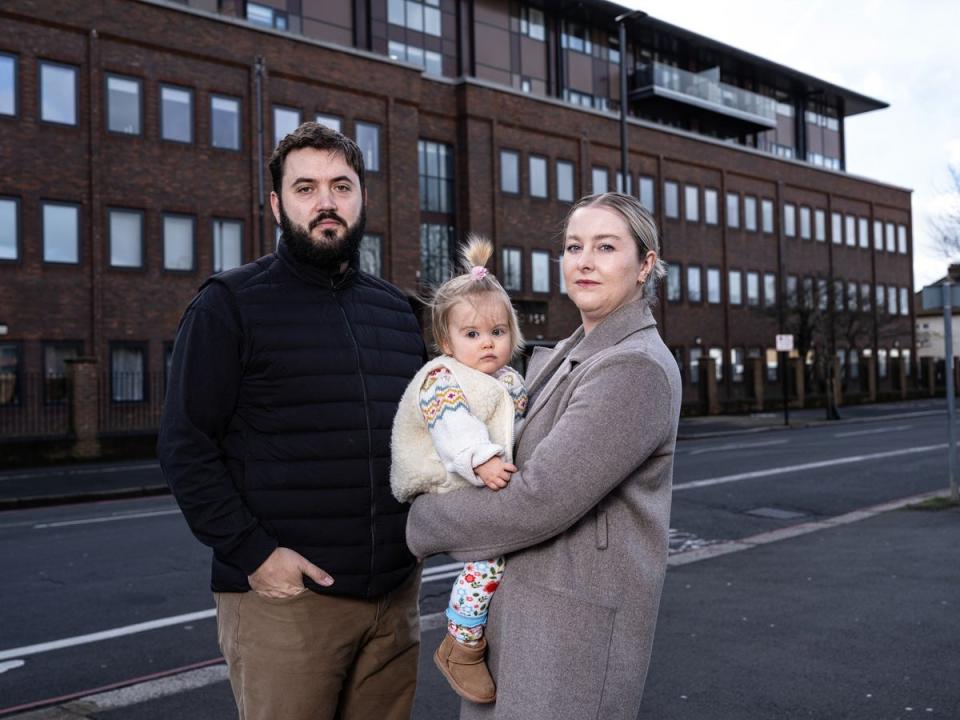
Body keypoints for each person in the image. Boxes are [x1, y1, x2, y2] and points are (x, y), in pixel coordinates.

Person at [157, 122, 426, 720]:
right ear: (277, 204)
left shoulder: (398, 311)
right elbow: (185, 447)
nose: (326, 201)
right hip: (287, 601)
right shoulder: (228, 304)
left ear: (362, 200)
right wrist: (255, 554)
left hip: (394, 598)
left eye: (341, 185)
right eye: (306, 188)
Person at [406, 191, 682, 720]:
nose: (584, 260)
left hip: (569, 635)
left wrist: (418, 523)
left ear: (646, 264)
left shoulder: (634, 367)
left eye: (606, 247)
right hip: (525, 621)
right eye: (574, 246)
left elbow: (539, 500)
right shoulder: (567, 353)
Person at [390, 235, 527, 705]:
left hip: (472, 473)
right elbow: (453, 426)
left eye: (498, 332)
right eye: (472, 335)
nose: (487, 343)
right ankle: (462, 643)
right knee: (488, 557)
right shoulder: (441, 379)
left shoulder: (505, 379)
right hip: (438, 474)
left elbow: (518, 420)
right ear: (447, 342)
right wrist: (482, 457)